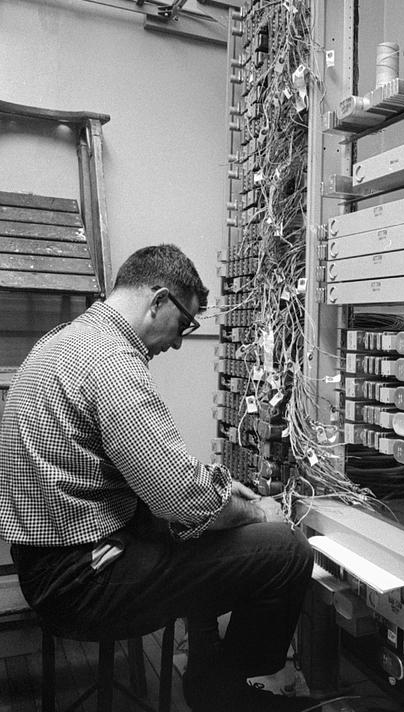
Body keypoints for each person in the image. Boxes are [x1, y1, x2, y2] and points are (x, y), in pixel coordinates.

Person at [0, 244, 316, 712]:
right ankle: (223, 693)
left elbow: (152, 475)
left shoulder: (64, 340)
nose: (178, 342)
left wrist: (216, 495)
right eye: (185, 324)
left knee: (200, 529)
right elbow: (180, 497)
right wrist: (252, 510)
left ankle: (206, 667)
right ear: (158, 300)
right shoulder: (110, 362)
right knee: (287, 550)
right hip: (82, 581)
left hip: (50, 562)